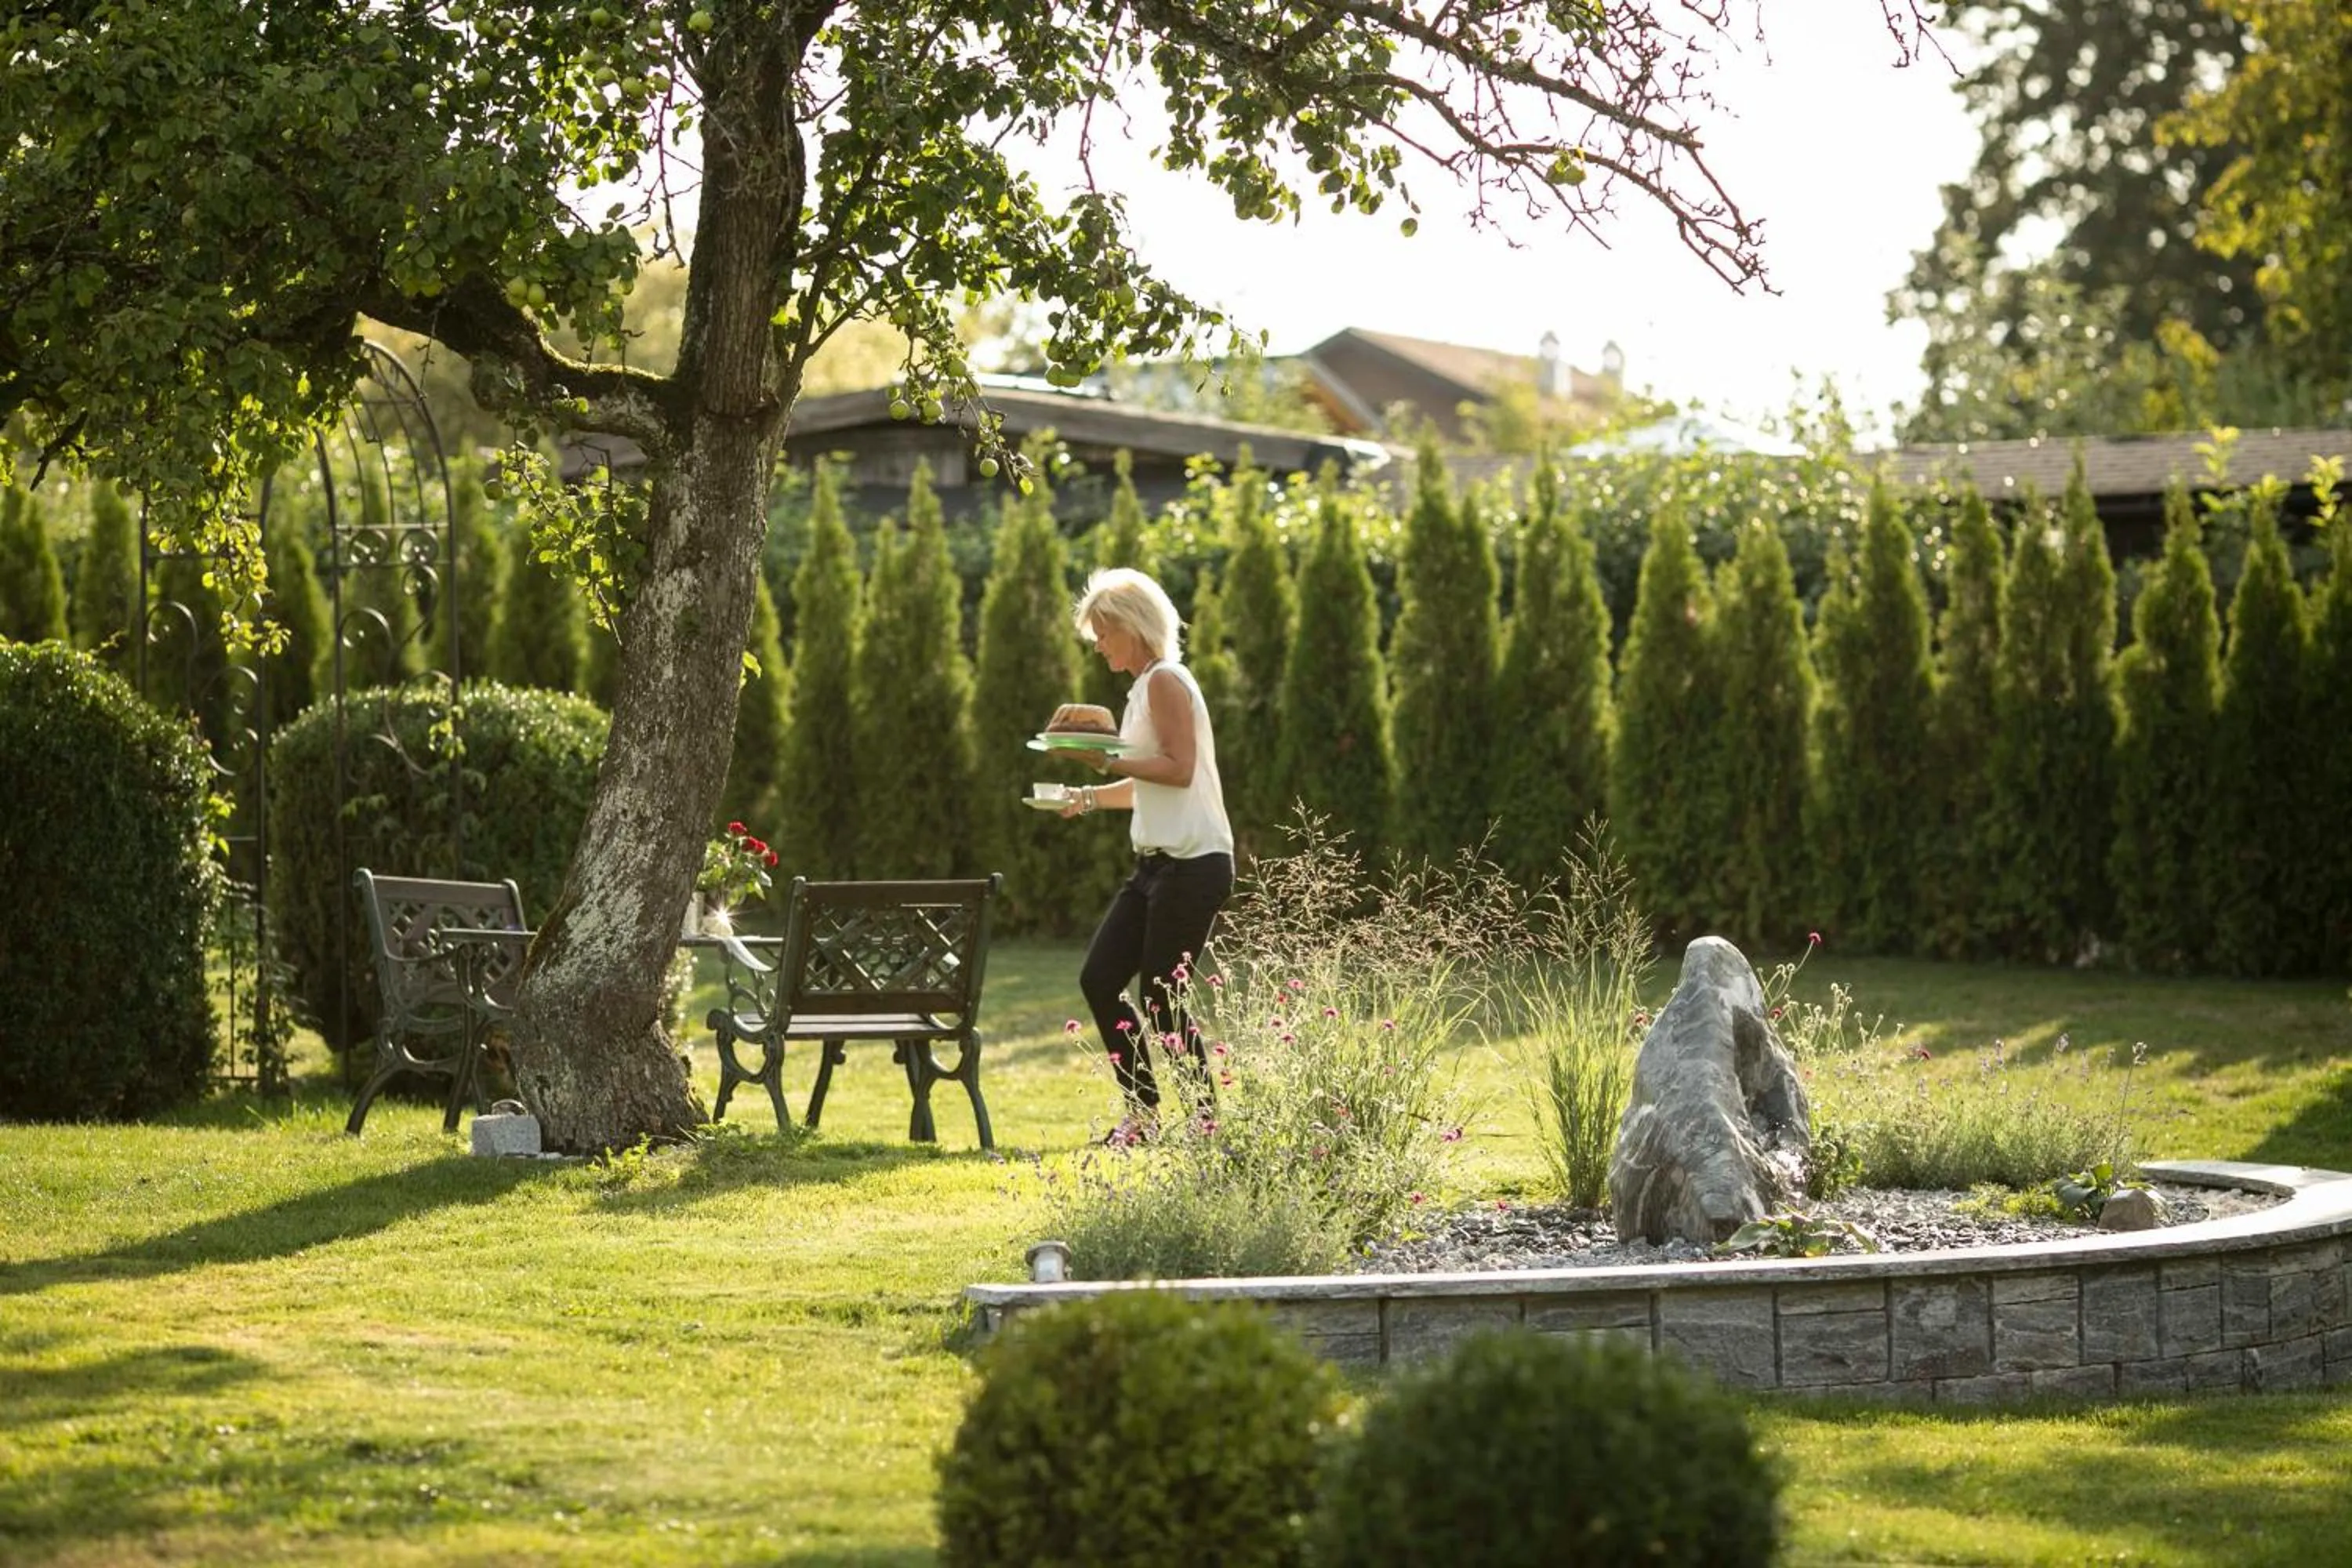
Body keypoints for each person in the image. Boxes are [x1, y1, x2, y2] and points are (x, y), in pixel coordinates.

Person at [1058, 567, 1235, 1143]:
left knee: (1160, 996)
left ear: (1133, 628)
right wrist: (1086, 797)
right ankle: (1145, 1117)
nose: (1098, 644)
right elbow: (1146, 781)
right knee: (1101, 978)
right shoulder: (1141, 691)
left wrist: (1105, 762)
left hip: (1195, 863)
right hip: (1156, 866)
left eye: (1104, 633)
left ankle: (1204, 1126)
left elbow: (1179, 772)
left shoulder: (1165, 680)